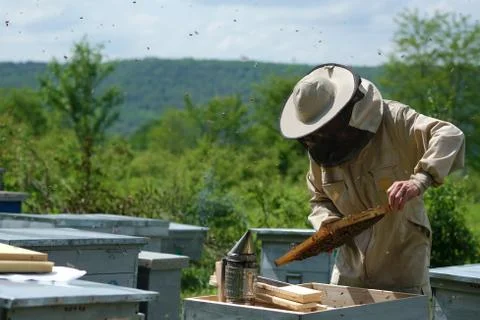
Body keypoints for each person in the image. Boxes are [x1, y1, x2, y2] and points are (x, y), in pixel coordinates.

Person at [279, 63, 465, 296]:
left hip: (403, 267)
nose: (321, 135)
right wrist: (327, 224)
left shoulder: (395, 120)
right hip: (349, 271)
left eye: (327, 127)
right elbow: (319, 198)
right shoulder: (322, 147)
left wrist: (420, 179)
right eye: (317, 131)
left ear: (344, 111)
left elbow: (449, 134)